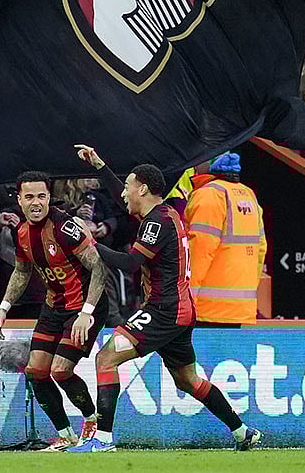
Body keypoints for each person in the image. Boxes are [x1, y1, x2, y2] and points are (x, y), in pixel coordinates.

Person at [69, 145, 262, 453]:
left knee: (106, 359)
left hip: (164, 310)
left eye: (129, 186)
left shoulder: (156, 223)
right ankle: (243, 433)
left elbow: (130, 263)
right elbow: (123, 200)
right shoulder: (165, 213)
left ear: (143, 189)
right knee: (188, 380)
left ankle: (102, 440)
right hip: (180, 311)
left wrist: (89, 243)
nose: (123, 194)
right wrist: (100, 165)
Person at [0, 171, 108, 451]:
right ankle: (66, 436)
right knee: (35, 371)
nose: (36, 202)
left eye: (41, 196)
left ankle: (92, 421)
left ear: (48, 198)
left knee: (60, 370)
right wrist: (4, 306)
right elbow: (22, 271)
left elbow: (99, 267)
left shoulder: (65, 228)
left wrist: (86, 313)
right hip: (54, 306)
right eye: (29, 196)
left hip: (84, 307)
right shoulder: (21, 232)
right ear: (19, 200)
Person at [185, 152, 267, 326]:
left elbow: (199, 252)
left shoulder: (208, 195)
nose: (195, 165)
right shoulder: (248, 194)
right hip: (239, 308)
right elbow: (260, 250)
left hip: (206, 309)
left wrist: (186, 299)